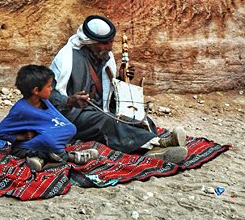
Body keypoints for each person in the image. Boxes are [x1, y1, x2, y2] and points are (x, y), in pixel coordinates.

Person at [49, 16, 188, 164]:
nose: (109, 47)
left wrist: (120, 80)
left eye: (111, 42)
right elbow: (48, 94)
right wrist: (69, 101)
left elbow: (107, 95)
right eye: (104, 43)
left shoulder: (104, 58)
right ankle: (157, 146)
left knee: (136, 115)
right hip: (75, 115)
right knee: (107, 121)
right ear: (90, 43)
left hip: (100, 108)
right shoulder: (65, 59)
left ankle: (155, 145)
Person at [0, 64, 99, 172]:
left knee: (55, 138)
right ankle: (73, 157)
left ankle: (37, 159)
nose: (51, 89)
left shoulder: (44, 101)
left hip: (38, 143)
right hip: (22, 147)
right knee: (51, 146)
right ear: (36, 91)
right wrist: (21, 137)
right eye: (48, 86)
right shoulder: (20, 109)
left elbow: (53, 120)